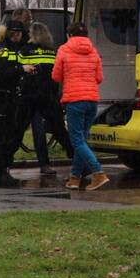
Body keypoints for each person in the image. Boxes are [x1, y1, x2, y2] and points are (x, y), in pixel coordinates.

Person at [52, 21, 110, 191]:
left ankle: (98, 173)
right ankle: (75, 178)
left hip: (74, 100)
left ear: (69, 35)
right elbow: (99, 78)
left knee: (77, 141)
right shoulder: (93, 51)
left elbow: (56, 76)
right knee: (81, 141)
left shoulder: (63, 50)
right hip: (92, 100)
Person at [0, 19, 35, 188]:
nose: (19, 37)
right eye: (18, 34)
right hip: (0, 98)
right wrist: (22, 69)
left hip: (11, 98)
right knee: (1, 136)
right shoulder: (1, 49)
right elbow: (0, 74)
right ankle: (0, 172)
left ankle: (4, 169)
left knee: (12, 135)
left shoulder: (14, 49)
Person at [19, 22, 73, 175]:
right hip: (50, 96)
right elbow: (58, 75)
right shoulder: (52, 52)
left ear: (33, 34)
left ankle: (44, 164)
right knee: (60, 130)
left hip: (32, 98)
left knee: (37, 131)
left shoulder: (26, 51)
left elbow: (21, 72)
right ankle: (76, 156)